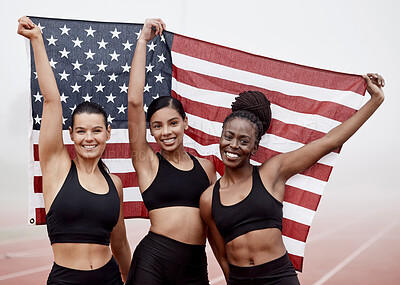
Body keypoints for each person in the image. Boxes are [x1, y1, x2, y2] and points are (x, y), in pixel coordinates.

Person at [200, 74, 385, 284]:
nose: (233, 145)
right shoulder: (208, 199)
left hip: (279, 277)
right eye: (228, 137)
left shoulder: (272, 172)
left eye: (244, 140)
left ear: (255, 148)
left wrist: (375, 100)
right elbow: (222, 256)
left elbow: (329, 141)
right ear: (221, 137)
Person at [17, 16, 131, 284]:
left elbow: (121, 244)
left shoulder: (114, 184)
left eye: (96, 130)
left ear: (107, 133)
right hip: (66, 279)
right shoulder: (57, 168)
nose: (88, 138)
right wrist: (37, 41)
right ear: (71, 134)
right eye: (81, 131)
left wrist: (129, 278)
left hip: (110, 278)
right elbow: (51, 101)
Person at [125, 18, 217, 285]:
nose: (166, 131)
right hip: (154, 262)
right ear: (150, 131)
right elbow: (134, 102)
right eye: (157, 126)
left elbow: (215, 225)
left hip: (195, 266)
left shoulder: (206, 168)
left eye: (173, 123)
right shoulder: (147, 163)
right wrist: (142, 41)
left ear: (185, 123)